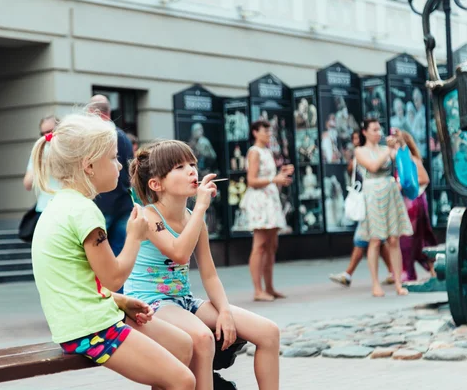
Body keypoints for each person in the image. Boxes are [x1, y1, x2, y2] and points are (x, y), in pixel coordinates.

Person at [30, 112, 196, 390]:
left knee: (181, 345)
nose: (119, 165)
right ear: (89, 165)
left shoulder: (61, 204)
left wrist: (120, 301)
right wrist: (135, 237)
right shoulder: (84, 212)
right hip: (89, 329)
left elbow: (74, 280)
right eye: (112, 157)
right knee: (183, 380)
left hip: (85, 318)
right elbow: (113, 277)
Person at [125, 139, 280, 390]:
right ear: (156, 184)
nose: (191, 171)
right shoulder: (148, 216)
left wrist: (226, 312)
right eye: (179, 167)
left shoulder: (192, 217)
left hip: (183, 301)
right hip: (149, 303)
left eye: (192, 164)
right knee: (202, 337)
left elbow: (209, 275)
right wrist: (200, 207)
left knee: (268, 332)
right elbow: (179, 254)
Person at [355, 118, 413, 297]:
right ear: (364, 132)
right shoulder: (360, 151)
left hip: (390, 192)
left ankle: (398, 282)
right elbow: (372, 166)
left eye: (379, 129)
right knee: (375, 239)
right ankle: (375, 283)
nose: (378, 133)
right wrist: (389, 150)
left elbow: (404, 160)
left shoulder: (384, 149)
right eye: (374, 130)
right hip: (372, 194)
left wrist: (401, 143)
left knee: (394, 239)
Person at [329, 130, 394, 287]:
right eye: (353, 139)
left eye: (358, 138)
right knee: (378, 239)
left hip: (372, 201)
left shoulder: (371, 154)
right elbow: (351, 172)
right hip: (366, 202)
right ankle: (394, 272)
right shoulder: (359, 154)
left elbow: (372, 169)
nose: (355, 142)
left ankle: (349, 274)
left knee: (364, 239)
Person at [239, 120, 293, 302]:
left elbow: (268, 176)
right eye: (265, 130)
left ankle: (269, 287)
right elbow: (252, 180)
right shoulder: (254, 152)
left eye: (269, 130)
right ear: (255, 132)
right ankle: (258, 290)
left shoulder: (266, 151)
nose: (268, 133)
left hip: (270, 200)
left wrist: (280, 174)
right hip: (260, 201)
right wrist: (275, 179)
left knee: (271, 245)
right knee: (260, 245)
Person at [88, 95, 135, 293]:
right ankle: (120, 301)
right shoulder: (123, 136)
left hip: (101, 205)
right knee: (118, 259)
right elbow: (131, 171)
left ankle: (102, 300)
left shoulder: (95, 137)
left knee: (95, 260)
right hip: (124, 204)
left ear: (93, 113)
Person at [395, 129, 437, 282]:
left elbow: (424, 178)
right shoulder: (400, 159)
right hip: (408, 202)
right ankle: (427, 267)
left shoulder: (411, 159)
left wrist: (404, 184)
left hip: (415, 202)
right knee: (414, 240)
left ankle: (410, 271)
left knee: (410, 239)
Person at [23, 115, 61, 210]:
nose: (46, 137)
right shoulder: (39, 151)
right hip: (44, 206)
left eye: (49, 132)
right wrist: (40, 164)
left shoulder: (69, 148)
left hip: (65, 205)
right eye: (42, 134)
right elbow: (27, 184)